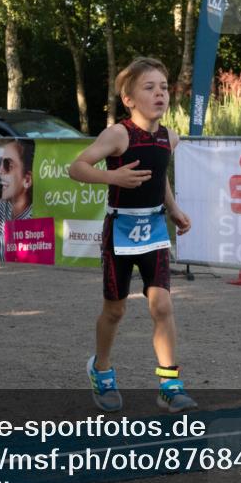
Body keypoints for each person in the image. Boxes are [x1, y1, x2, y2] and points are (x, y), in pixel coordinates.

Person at [69, 57, 194, 413]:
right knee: (115, 310)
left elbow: (159, 176)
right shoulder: (118, 134)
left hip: (153, 228)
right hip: (120, 230)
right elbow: (76, 167)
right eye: (149, 88)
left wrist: (173, 208)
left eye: (164, 88)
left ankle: (170, 383)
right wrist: (113, 178)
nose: (160, 94)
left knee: (163, 304)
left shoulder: (170, 136)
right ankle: (102, 370)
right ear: (129, 99)